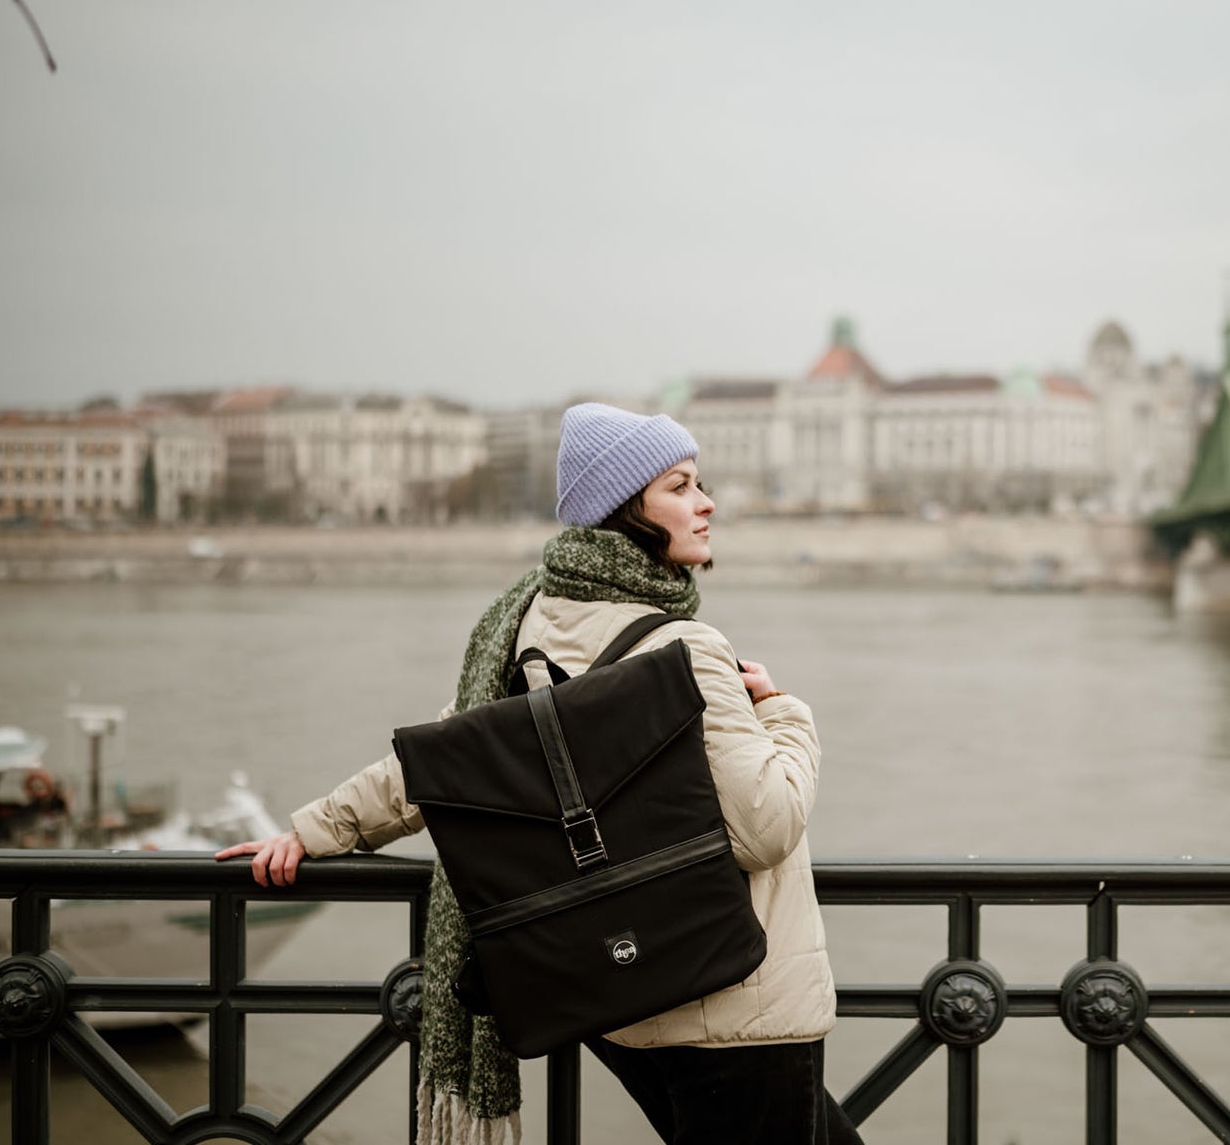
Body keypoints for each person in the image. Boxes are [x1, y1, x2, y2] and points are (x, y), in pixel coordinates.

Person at [217, 404, 863, 1145]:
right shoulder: (687, 646)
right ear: (627, 512)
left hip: (625, 995)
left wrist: (313, 829)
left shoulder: (529, 623)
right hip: (738, 1002)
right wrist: (784, 714)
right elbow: (766, 828)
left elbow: (446, 761)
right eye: (681, 486)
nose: (707, 502)